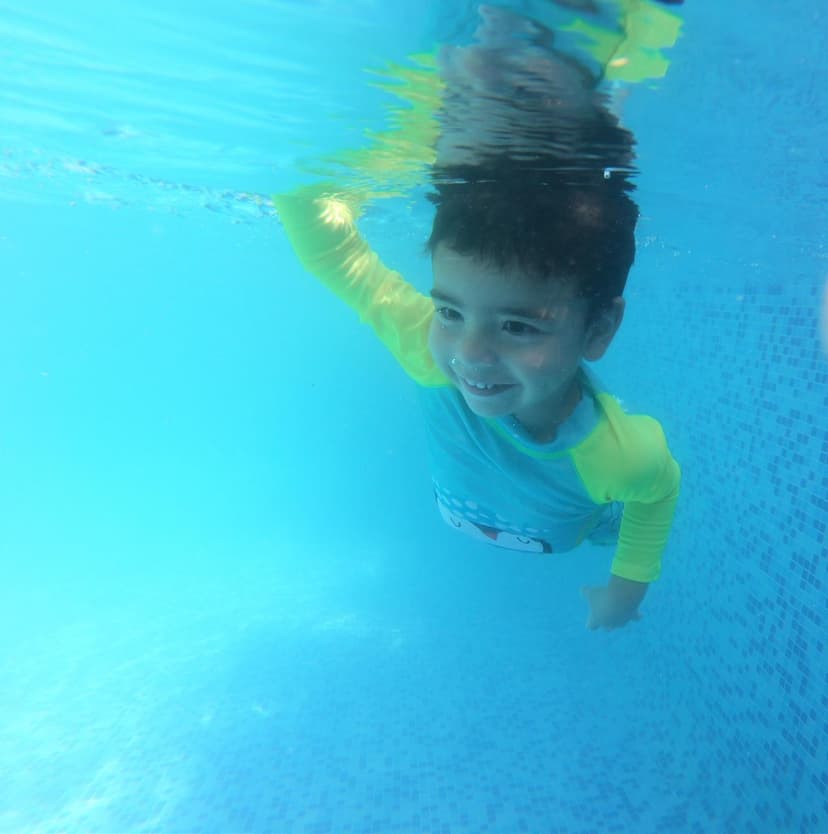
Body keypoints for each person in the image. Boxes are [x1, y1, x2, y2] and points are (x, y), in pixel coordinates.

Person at [274, 7, 681, 631]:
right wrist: (312, 160)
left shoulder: (624, 455)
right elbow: (333, 251)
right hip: (531, 515)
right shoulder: (426, 348)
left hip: (582, 522)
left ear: (598, 329)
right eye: (448, 309)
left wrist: (627, 589)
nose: (470, 351)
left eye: (517, 325)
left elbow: (656, 495)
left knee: (608, 522)